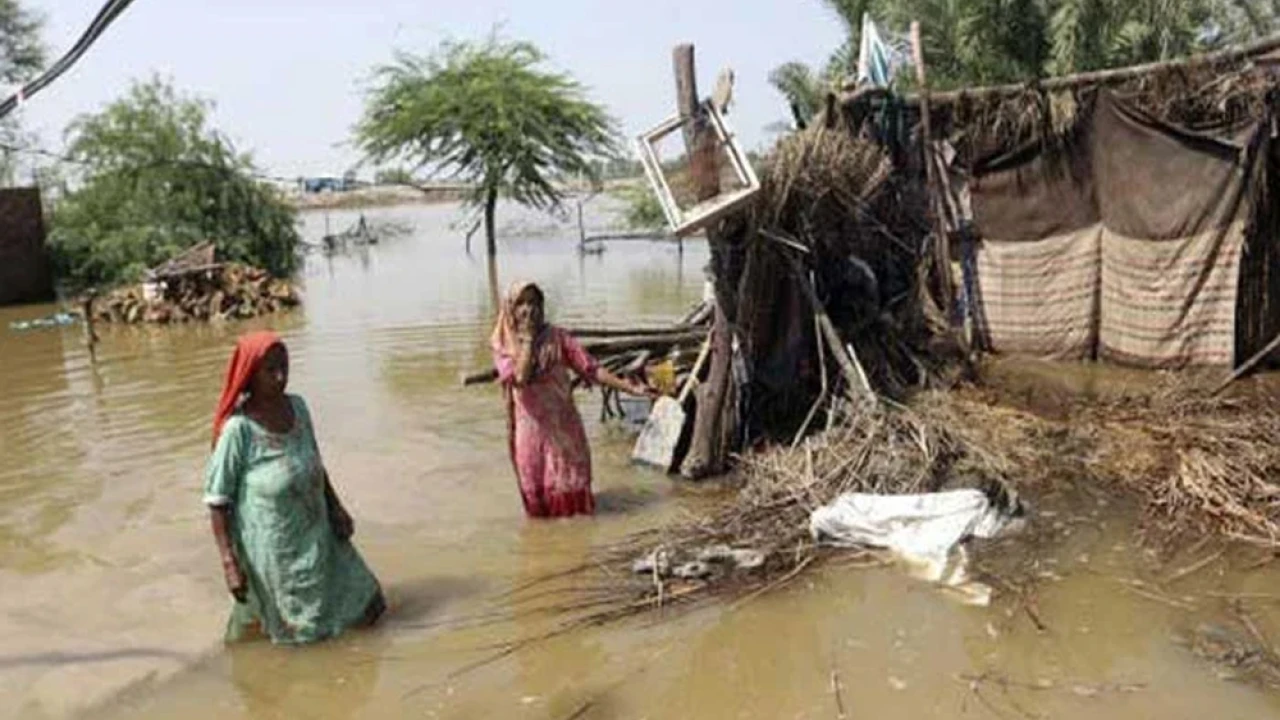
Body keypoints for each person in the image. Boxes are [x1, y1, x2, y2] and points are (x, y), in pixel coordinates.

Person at [204, 331, 385, 644]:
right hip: (277, 547)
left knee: (368, 604)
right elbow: (217, 501)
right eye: (270, 370)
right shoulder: (239, 430)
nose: (280, 376)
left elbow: (315, 461)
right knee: (303, 631)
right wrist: (229, 563)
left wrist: (336, 507)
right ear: (250, 375)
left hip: (318, 530)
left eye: (284, 367)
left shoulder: (298, 408)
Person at [491, 282, 655, 517]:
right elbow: (520, 378)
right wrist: (527, 339)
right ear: (510, 309)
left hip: (566, 433)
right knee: (540, 510)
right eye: (521, 303)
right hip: (531, 437)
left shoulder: (557, 337)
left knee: (575, 505)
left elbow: (591, 369)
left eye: (534, 302)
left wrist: (629, 388)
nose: (529, 309)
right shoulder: (504, 345)